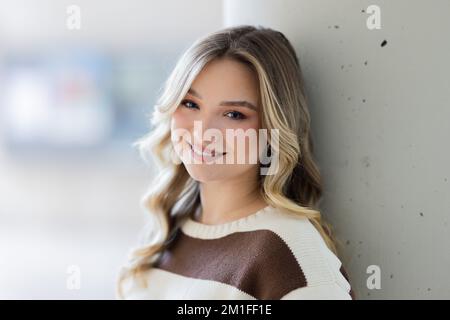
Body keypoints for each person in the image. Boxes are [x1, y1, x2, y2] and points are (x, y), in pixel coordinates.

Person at [116, 25, 354, 300]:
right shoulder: (168, 232)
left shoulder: (291, 257)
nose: (202, 133)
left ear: (273, 129)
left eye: (233, 114)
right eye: (191, 104)